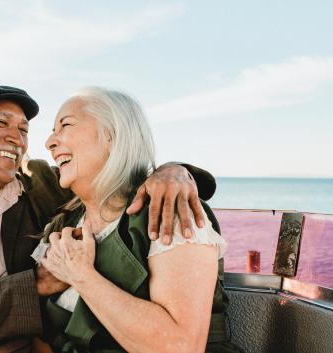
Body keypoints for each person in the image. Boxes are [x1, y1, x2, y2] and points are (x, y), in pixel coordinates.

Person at [0, 84, 218, 353]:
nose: (19, 139)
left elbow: (113, 180)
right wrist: (37, 284)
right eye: (1, 122)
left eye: (24, 130)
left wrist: (173, 171)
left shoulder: (44, 188)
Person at [32, 87, 242, 353]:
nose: (50, 141)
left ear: (113, 136)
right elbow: (39, 336)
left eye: (66, 125)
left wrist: (80, 274)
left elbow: (181, 347)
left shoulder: (168, 211)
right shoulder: (61, 226)